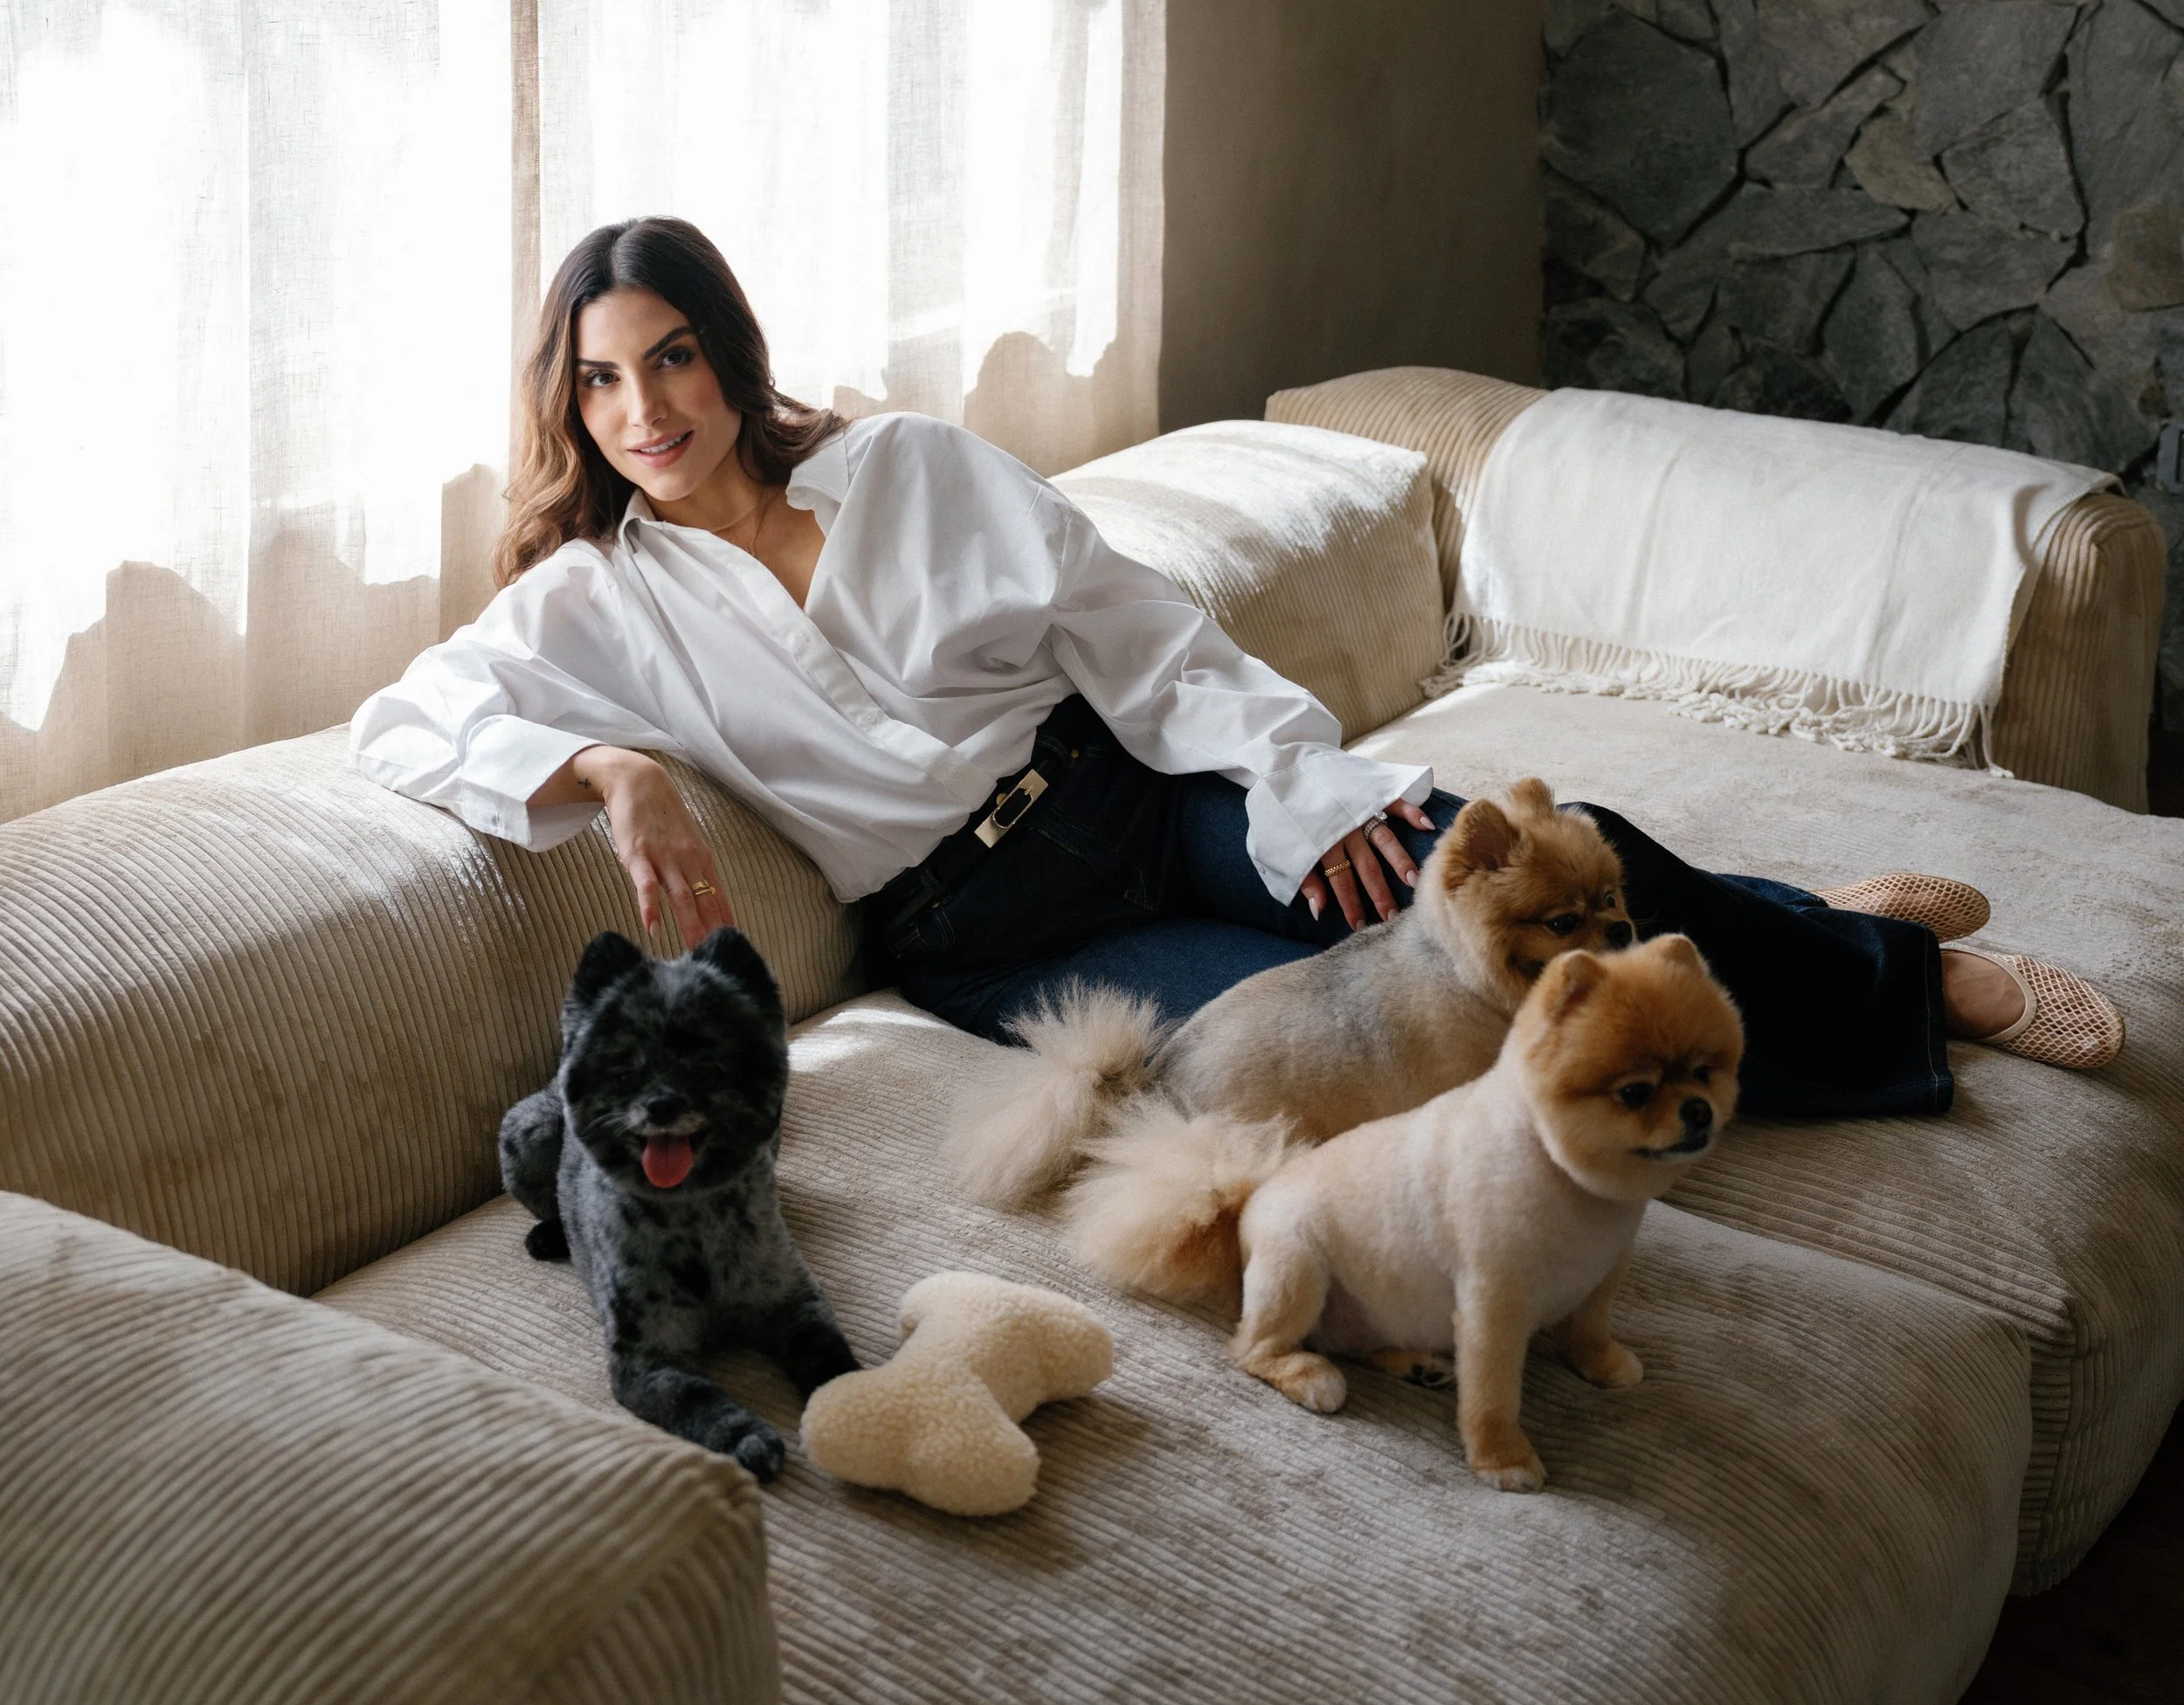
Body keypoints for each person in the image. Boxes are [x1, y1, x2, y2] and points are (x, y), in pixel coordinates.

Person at [352, 218, 2125, 1116]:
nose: (644, 409)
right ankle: (1772, 934)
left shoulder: (905, 468)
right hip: (989, 933)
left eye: (670, 357)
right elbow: (404, 719)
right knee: (1408, 1027)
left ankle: (1885, 975)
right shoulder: (594, 602)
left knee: (1496, 868)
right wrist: (614, 769)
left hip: (1141, 790)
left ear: (729, 355)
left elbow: (1134, 634)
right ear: (571, 402)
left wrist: (1302, 783)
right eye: (601, 380)